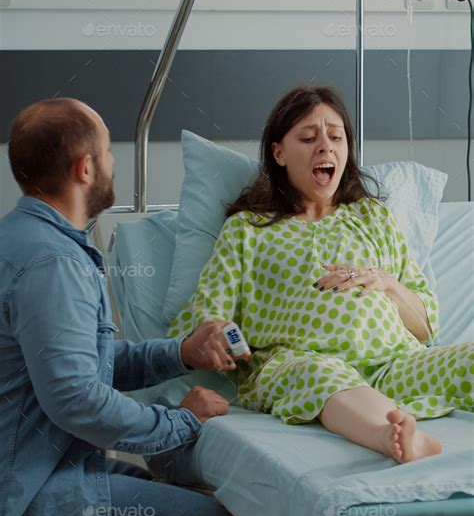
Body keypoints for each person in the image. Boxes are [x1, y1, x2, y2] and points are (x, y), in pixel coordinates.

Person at [0, 97, 238, 516]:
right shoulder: (53, 265)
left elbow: (90, 365)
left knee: (133, 494)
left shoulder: (32, 240)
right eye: (108, 151)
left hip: (36, 468)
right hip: (23, 494)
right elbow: (77, 400)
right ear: (84, 168)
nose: (113, 162)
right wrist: (180, 422)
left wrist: (179, 353)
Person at [169, 85, 473, 463]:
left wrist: (386, 283)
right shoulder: (248, 229)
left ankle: (394, 422)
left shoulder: (373, 217)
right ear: (278, 153)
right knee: (320, 373)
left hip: (395, 365)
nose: (326, 147)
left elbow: (426, 329)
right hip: (300, 362)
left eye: (336, 136)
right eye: (309, 137)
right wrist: (219, 338)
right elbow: (210, 315)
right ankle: (390, 434)